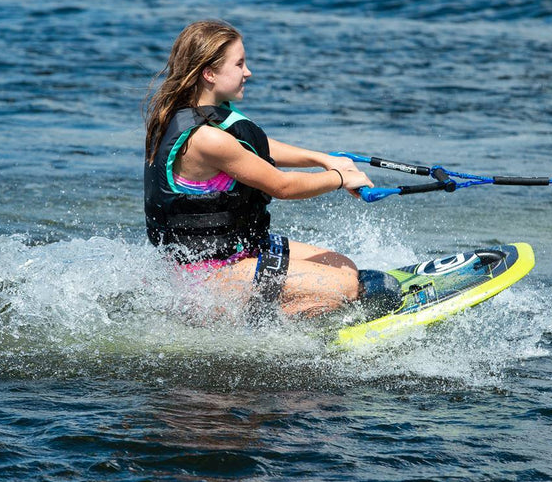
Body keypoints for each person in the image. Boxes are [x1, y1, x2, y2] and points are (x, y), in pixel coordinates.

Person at [143, 20, 397, 318]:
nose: (248, 72)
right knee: (345, 286)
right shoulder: (206, 139)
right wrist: (339, 179)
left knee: (344, 266)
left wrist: (323, 159)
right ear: (209, 73)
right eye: (239, 64)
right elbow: (282, 186)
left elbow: (257, 149)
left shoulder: (205, 115)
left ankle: (283, 310)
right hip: (209, 275)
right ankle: (258, 326)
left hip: (239, 249)